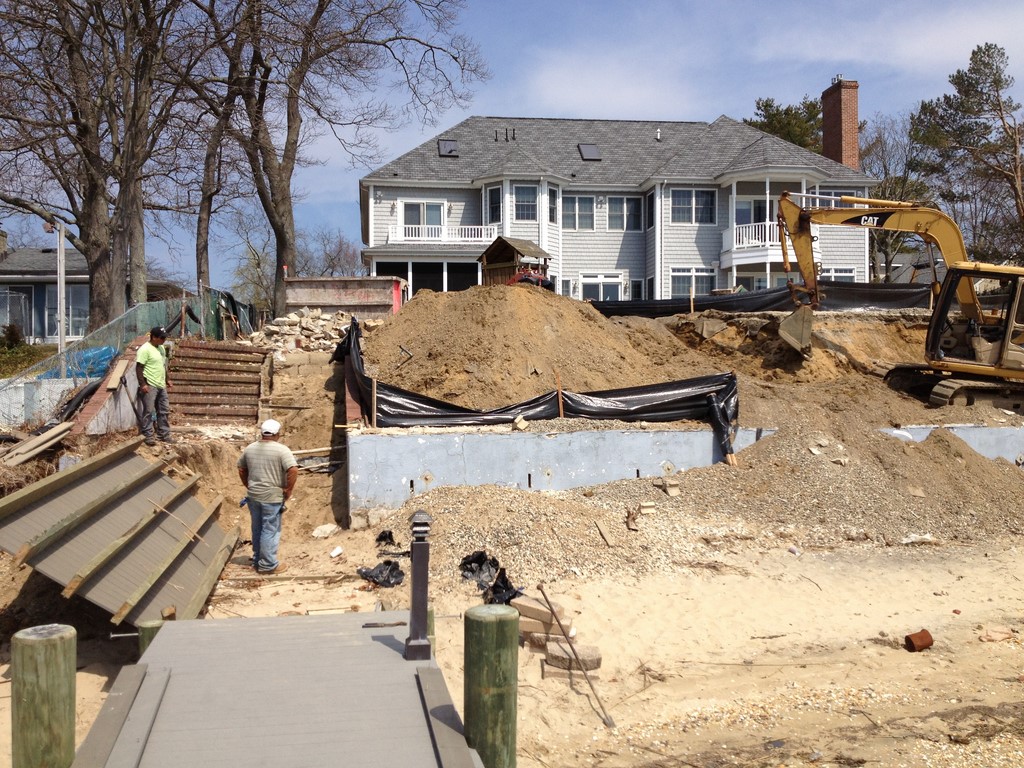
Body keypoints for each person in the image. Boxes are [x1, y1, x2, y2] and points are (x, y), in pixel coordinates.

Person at [237, 419, 298, 574]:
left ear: (262, 433)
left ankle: (258, 560)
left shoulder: (250, 448)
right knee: (270, 530)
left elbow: (241, 468)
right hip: (272, 497)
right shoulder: (282, 450)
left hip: (254, 496)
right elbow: (293, 470)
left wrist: (248, 485)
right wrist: (288, 490)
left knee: (257, 528)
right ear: (277, 434)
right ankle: (268, 565)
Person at [136, 326, 174, 446]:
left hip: (161, 384)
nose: (163, 340)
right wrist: (143, 384)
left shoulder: (161, 348)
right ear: (153, 337)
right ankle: (147, 435)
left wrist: (167, 379)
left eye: (164, 338)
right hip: (150, 385)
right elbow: (139, 368)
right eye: (162, 338)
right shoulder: (145, 349)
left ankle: (164, 434)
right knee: (148, 411)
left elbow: (163, 365)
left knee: (164, 410)